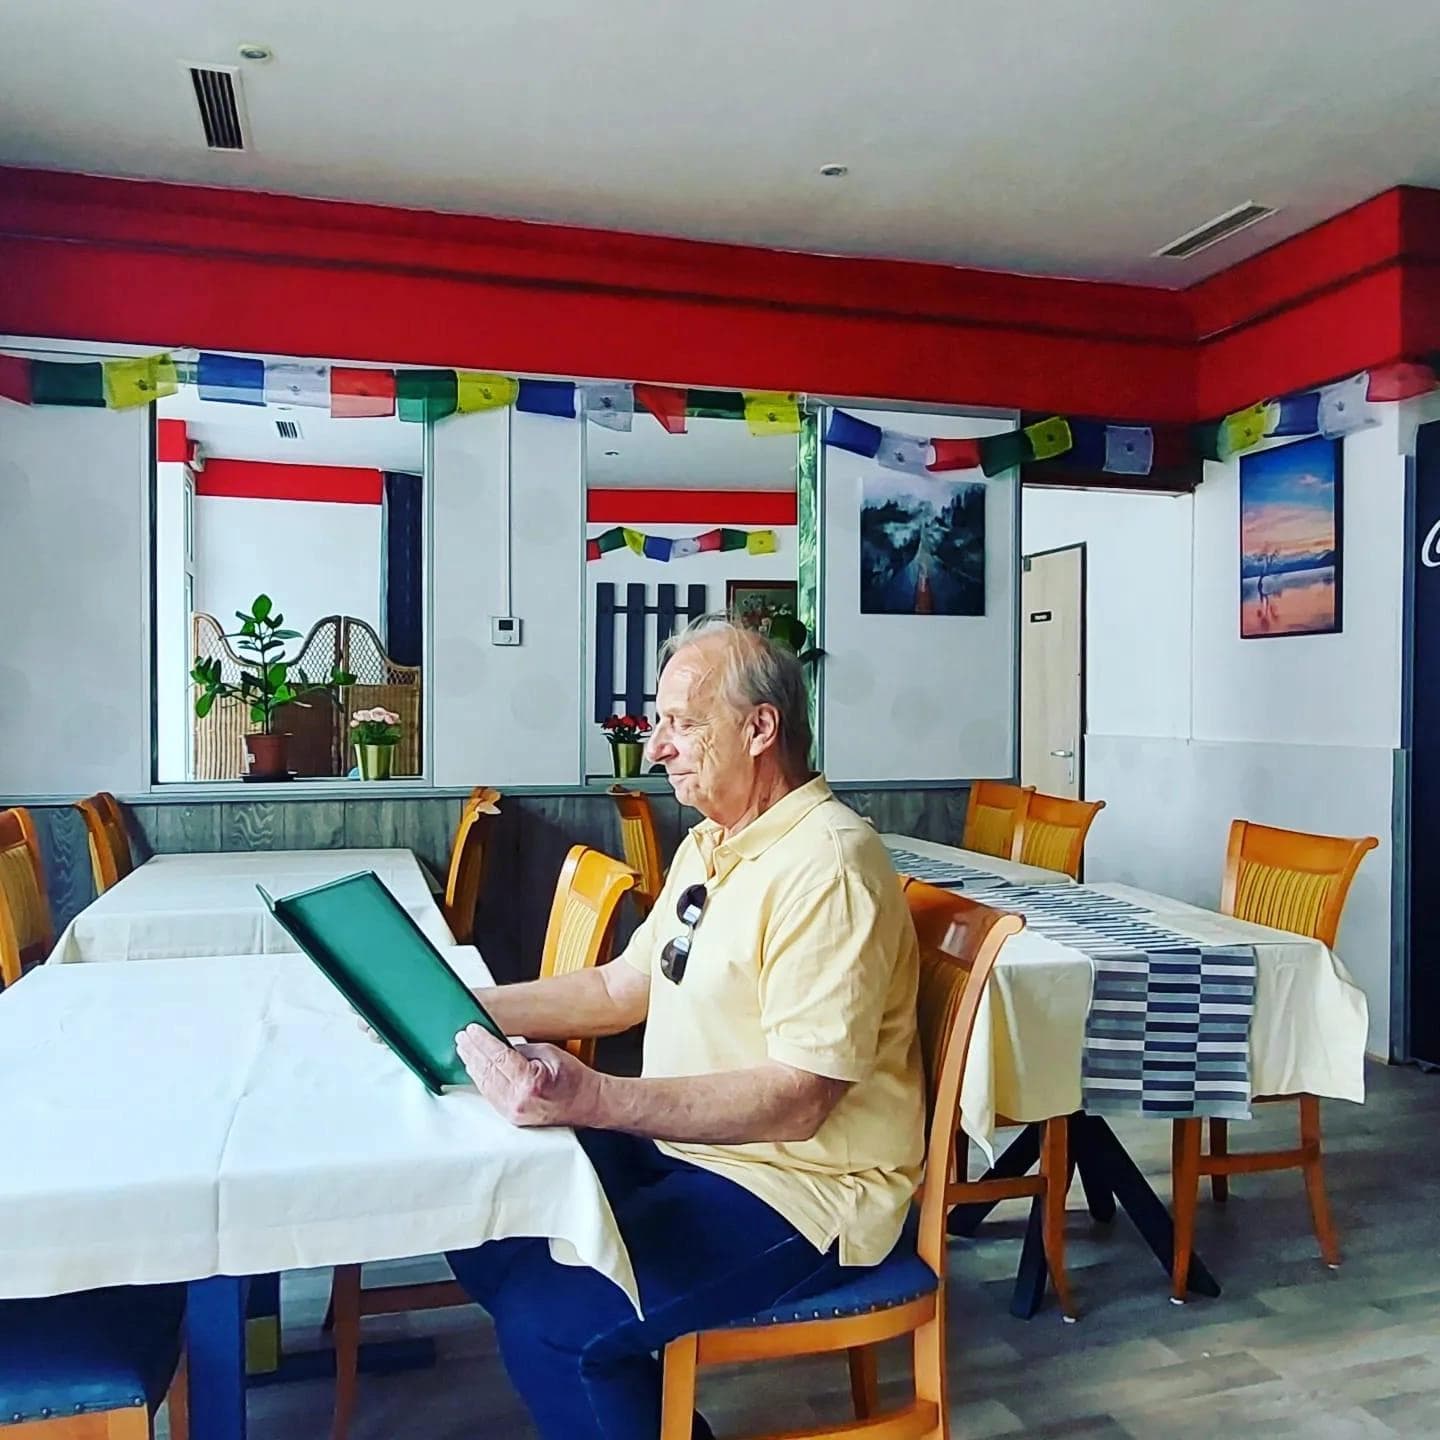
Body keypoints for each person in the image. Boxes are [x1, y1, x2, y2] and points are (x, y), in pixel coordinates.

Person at [447, 617, 925, 1440]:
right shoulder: (716, 842)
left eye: (681, 722)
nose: (658, 746)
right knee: (478, 1208)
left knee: (550, 1325)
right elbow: (620, 985)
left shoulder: (829, 865)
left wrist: (595, 1097)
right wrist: (460, 1007)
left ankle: (611, 1369)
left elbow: (800, 1100)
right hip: (693, 1150)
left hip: (799, 1188)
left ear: (760, 728)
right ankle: (635, 1389)